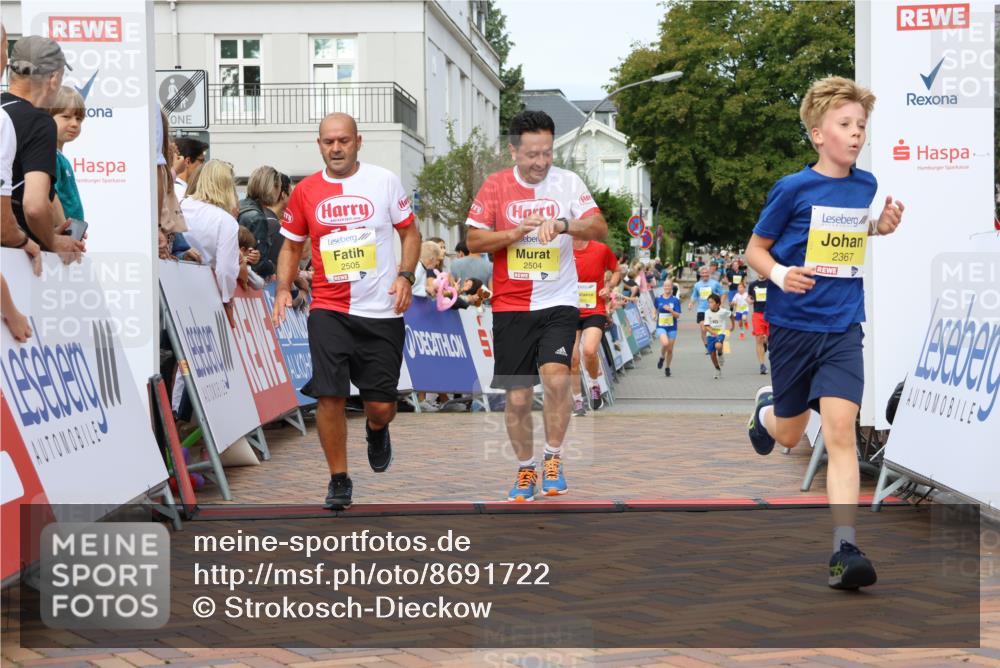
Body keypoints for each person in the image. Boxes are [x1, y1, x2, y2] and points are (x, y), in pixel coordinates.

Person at [744, 76, 904, 590]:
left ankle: (844, 548)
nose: (856, 133)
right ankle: (766, 412)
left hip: (842, 327)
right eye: (845, 124)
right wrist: (780, 275)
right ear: (818, 134)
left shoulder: (865, 185)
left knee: (840, 434)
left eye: (861, 125)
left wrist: (878, 227)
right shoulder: (792, 188)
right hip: (793, 327)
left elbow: (848, 233)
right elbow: (754, 250)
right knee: (790, 433)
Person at [271, 112, 420, 510]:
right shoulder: (305, 191)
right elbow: (291, 245)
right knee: (330, 395)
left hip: (381, 311)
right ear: (319, 144)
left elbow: (410, 231)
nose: (336, 148)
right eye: (328, 141)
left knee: (382, 407)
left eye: (343, 140)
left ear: (358, 141)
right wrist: (283, 287)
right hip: (329, 308)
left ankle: (376, 428)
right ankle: (339, 478)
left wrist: (406, 275)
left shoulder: (383, 181)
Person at [466, 109, 607, 501]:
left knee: (558, 378)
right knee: (517, 397)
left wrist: (564, 225)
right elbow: (473, 240)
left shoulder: (569, 182)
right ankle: (526, 468)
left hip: (558, 301)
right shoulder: (495, 186)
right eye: (532, 154)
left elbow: (599, 227)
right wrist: (512, 234)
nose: (541, 162)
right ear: (513, 151)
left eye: (547, 152)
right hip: (510, 306)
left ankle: (553, 458)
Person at [2, 36, 83, 260]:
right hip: (18, 257)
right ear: (54, 78)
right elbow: (35, 206)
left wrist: (47, 232)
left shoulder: (2, 111)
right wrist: (53, 241)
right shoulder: (39, 122)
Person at [180, 160, 243, 305]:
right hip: (205, 292)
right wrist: (227, 298)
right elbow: (225, 269)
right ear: (228, 186)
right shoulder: (226, 221)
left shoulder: (180, 206)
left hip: (172, 283)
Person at [570, 237, 620, 415]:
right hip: (569, 310)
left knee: (589, 351)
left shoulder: (601, 249)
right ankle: (577, 401)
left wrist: (609, 286)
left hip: (594, 309)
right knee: (572, 359)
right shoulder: (561, 247)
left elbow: (616, 270)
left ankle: (594, 384)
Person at [49, 86, 86, 225]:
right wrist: (66, 230)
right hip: (60, 232)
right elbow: (51, 197)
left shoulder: (60, 157)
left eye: (79, 119)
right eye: (66, 117)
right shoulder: (49, 156)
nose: (74, 124)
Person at [238, 165, 281, 280]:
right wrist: (273, 267)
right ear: (272, 187)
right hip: (247, 281)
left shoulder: (239, 206)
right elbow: (258, 264)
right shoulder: (258, 219)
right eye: (278, 187)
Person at [687, 265, 723, 348]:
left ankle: (715, 341)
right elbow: (694, 296)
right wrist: (691, 303)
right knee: (703, 328)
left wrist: (720, 303)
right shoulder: (697, 285)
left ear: (709, 273)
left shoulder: (715, 283)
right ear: (700, 274)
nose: (704, 274)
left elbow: (722, 293)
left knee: (713, 328)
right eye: (703, 273)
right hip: (702, 310)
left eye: (706, 272)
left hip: (713, 310)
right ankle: (707, 345)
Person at [654, 278, 682, 377]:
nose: (667, 287)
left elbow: (677, 315)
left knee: (670, 349)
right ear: (663, 287)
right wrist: (654, 314)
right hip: (661, 326)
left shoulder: (675, 300)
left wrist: (671, 310)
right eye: (665, 286)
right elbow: (655, 308)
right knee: (665, 343)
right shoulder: (658, 299)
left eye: (668, 286)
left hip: (672, 328)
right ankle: (662, 357)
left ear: (671, 287)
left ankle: (667, 367)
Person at [701, 294, 732, 379]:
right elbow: (707, 326)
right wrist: (713, 332)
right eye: (709, 302)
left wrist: (733, 326)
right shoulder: (707, 312)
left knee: (718, 345)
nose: (709, 304)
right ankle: (717, 368)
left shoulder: (723, 311)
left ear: (717, 304)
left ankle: (720, 353)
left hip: (720, 333)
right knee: (712, 354)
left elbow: (731, 315)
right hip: (710, 335)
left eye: (711, 302)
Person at [746, 275, 770, 375]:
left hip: (770, 314)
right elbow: (749, 296)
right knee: (759, 338)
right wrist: (749, 300)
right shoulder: (753, 284)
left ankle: (766, 343)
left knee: (769, 339)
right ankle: (762, 365)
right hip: (758, 314)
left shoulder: (770, 283)